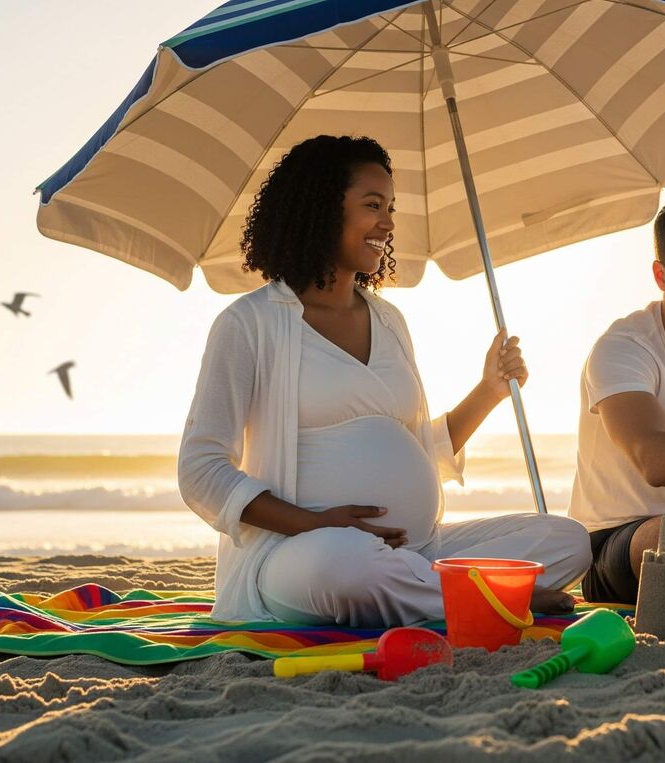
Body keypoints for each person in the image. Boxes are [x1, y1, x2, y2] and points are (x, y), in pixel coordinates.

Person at [178, 135, 589, 626]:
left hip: (418, 551)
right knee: (346, 568)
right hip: (301, 555)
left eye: (391, 207)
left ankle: (435, 589)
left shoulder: (390, 320)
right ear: (321, 209)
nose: (389, 223)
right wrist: (314, 524)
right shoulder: (249, 324)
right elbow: (201, 470)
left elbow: (417, 449)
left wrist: (489, 391)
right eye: (373, 205)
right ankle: (484, 596)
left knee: (568, 539)